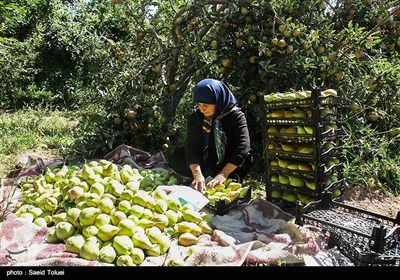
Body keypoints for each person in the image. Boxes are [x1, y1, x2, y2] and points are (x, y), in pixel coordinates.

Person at [185, 78, 253, 193]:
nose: (202, 109)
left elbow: (243, 146)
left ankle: (225, 175)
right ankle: (205, 174)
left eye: (205, 104)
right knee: (177, 158)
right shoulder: (197, 117)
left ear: (218, 100)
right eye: (199, 104)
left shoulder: (236, 116)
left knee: (246, 158)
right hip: (206, 159)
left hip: (228, 161)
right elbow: (192, 146)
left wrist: (223, 173)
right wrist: (197, 174)